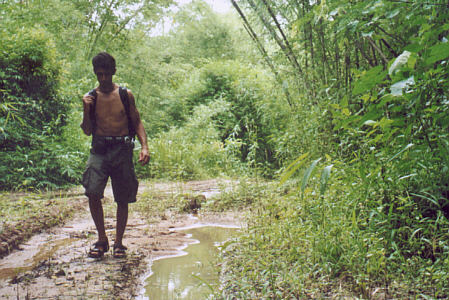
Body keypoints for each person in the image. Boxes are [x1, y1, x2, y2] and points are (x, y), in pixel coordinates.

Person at [80, 52, 150, 258]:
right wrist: (86, 109)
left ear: (113, 72)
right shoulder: (91, 97)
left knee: (123, 197)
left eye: (106, 74)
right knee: (92, 191)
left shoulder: (125, 95)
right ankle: (102, 240)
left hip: (122, 149)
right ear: (95, 73)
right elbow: (86, 130)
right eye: (99, 74)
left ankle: (119, 243)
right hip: (99, 149)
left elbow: (136, 121)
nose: (103, 78)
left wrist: (144, 146)